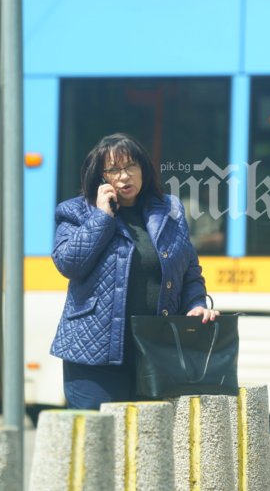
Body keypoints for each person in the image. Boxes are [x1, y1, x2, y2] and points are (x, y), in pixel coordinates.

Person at [50, 133, 219, 408]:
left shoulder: (169, 211)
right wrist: (101, 217)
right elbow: (69, 263)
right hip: (95, 358)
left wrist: (196, 304)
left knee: (149, 444)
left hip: (154, 354)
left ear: (143, 169)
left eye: (130, 166)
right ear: (101, 176)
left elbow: (189, 271)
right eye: (114, 170)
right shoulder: (76, 212)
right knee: (100, 445)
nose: (124, 177)